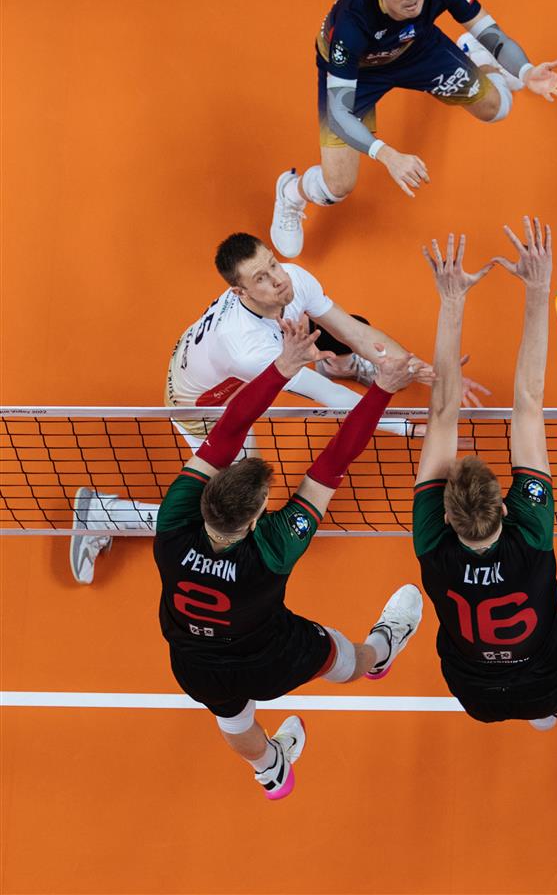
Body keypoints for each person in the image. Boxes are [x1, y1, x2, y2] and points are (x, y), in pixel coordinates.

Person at [70, 232, 486, 584]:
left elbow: (355, 333)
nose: (278, 279)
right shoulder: (248, 348)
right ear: (241, 292)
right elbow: (331, 399)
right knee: (232, 511)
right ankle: (103, 514)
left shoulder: (293, 278)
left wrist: (432, 371)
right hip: (202, 408)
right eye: (262, 278)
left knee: (342, 331)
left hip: (224, 379)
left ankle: (336, 362)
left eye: (272, 264)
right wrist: (409, 428)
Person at [153, 315, 423, 800]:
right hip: (270, 656)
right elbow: (333, 461)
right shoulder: (272, 549)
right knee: (345, 659)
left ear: (207, 494)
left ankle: (269, 770)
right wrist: (380, 389)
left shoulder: (173, 522)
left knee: (232, 718)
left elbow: (229, 429)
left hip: (195, 662)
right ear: (255, 518)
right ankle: (383, 650)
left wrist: (282, 367)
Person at [411, 221, 557, 731]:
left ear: (448, 517)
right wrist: (539, 291)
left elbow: (442, 414)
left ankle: (545, 713)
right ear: (503, 508)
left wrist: (452, 302)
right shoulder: (518, 538)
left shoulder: (441, 542)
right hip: (549, 680)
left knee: (527, 686)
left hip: (475, 694)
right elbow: (527, 403)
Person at [271, 0, 557, 257]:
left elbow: (491, 34)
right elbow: (339, 113)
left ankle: (475, 56)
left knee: (498, 109)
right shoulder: (351, 25)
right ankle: (291, 192)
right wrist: (387, 155)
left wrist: (526, 72)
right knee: (339, 186)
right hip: (360, 74)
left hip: (416, 49)